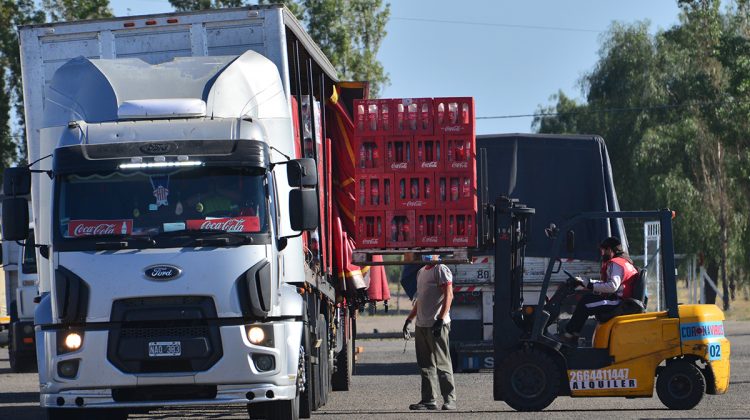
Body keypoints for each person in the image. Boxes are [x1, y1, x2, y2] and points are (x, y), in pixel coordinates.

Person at [558, 236, 639, 343]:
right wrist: (587, 283)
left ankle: (569, 336)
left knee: (585, 304)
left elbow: (612, 286)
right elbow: (611, 285)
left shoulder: (616, 263)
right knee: (587, 299)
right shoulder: (624, 262)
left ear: (609, 250)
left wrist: (590, 285)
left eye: (603, 251)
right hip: (620, 299)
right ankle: (573, 335)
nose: (602, 254)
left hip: (618, 302)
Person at [402, 255, 457, 411]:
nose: (427, 254)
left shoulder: (441, 269)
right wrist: (409, 320)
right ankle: (428, 400)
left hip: (437, 324)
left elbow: (449, 295)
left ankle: (450, 400)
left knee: (442, 363)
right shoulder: (421, 272)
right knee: (425, 365)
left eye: (431, 251)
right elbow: (419, 300)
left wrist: (440, 319)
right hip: (422, 325)